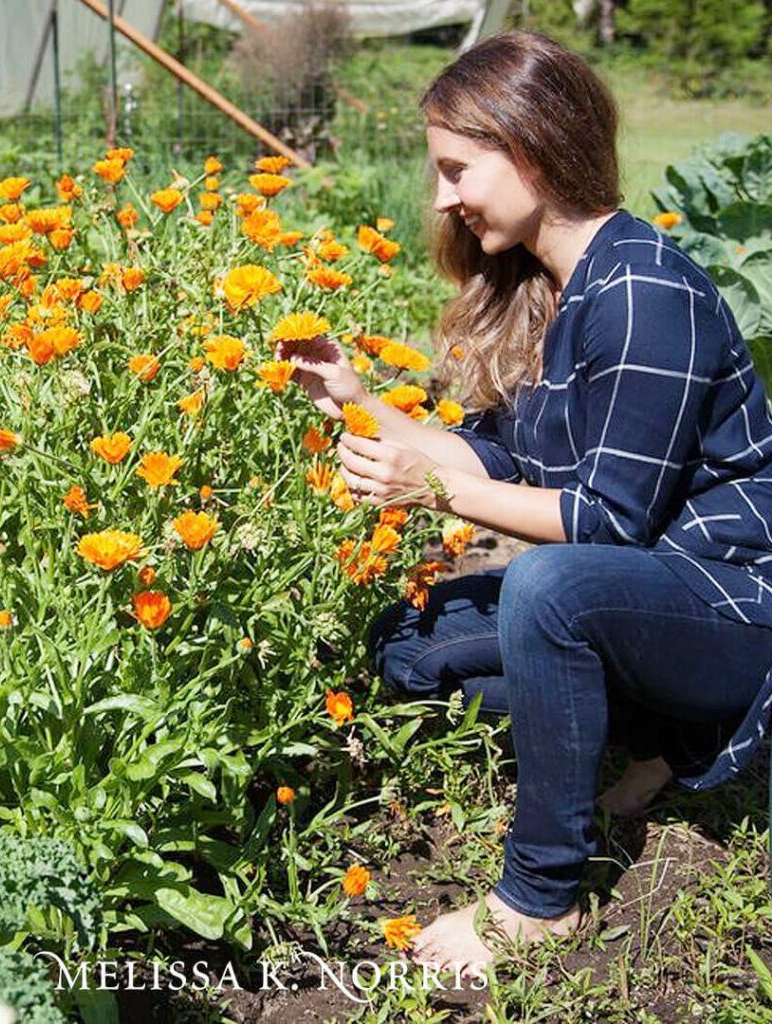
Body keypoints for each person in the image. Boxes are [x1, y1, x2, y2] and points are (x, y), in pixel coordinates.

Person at [276, 30, 772, 976]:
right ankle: (659, 736)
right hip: (635, 591)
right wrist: (359, 399)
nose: (442, 198)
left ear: (532, 145)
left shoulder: (644, 293)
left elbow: (604, 522)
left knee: (548, 589)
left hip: (732, 608)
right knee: (409, 645)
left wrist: (437, 490)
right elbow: (501, 452)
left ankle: (539, 898)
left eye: (458, 169)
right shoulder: (554, 285)